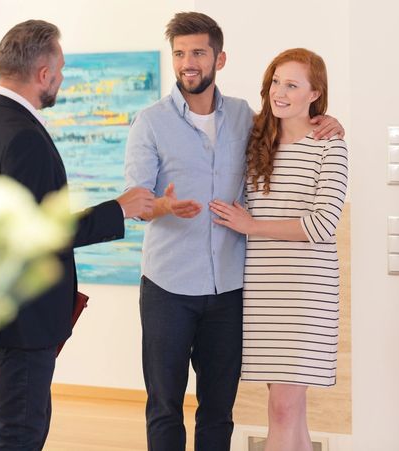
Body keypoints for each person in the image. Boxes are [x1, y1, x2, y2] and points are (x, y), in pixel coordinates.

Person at [124, 12, 343, 451]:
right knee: (165, 405)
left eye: (198, 53)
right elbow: (136, 201)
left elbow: (296, 124)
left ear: (218, 59)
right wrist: (160, 206)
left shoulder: (246, 118)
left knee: (218, 410)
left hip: (230, 292)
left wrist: (330, 120)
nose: (189, 62)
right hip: (168, 286)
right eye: (180, 53)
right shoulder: (149, 122)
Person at [0, 19, 156, 450]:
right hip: (24, 316)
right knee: (21, 433)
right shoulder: (22, 134)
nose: (61, 78)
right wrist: (119, 208)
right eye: (59, 70)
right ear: (43, 74)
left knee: (24, 424)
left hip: (1, 308)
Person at [209, 48, 347, 451]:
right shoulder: (255, 142)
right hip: (262, 291)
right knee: (292, 411)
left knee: (283, 409)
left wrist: (252, 226)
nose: (280, 92)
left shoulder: (330, 145)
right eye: (275, 82)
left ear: (314, 93)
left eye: (292, 85)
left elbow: (323, 224)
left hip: (306, 291)